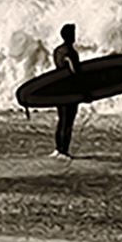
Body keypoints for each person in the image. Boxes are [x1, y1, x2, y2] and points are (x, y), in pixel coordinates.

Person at [51, 23, 81, 158]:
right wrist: (85, 93)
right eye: (73, 34)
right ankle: (64, 151)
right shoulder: (70, 52)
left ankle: (58, 149)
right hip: (70, 91)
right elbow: (75, 73)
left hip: (59, 89)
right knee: (68, 122)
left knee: (61, 120)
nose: (75, 36)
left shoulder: (57, 51)